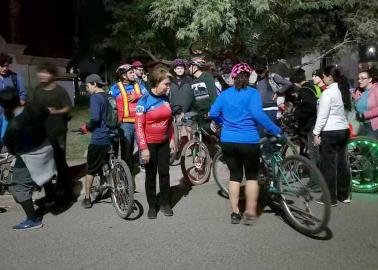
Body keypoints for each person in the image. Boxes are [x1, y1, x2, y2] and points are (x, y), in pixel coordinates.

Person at [209, 63, 281, 225]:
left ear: (233, 77)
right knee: (251, 177)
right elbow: (258, 115)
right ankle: (250, 210)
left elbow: (213, 112)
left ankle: (235, 213)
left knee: (235, 176)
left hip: (228, 140)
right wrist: (275, 129)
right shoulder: (252, 93)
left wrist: (223, 122)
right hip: (248, 140)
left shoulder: (225, 94)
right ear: (249, 77)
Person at [0, 87, 56, 230]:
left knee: (17, 186)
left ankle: (33, 220)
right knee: (43, 175)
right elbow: (47, 113)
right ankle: (50, 197)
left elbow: (11, 147)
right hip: (48, 148)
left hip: (31, 157)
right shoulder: (33, 107)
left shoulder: (13, 125)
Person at [135, 67, 175, 219]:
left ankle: (165, 203)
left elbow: (169, 122)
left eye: (169, 84)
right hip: (149, 144)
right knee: (151, 175)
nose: (168, 87)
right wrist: (144, 148)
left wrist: (172, 139)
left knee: (164, 173)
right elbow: (138, 127)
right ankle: (152, 205)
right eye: (166, 84)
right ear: (157, 83)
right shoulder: (143, 100)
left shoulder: (166, 98)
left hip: (164, 142)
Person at [31, 62, 72, 203]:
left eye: (46, 72)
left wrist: (55, 111)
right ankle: (50, 195)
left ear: (52, 75)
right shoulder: (37, 89)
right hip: (42, 132)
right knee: (45, 163)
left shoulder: (59, 90)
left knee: (60, 162)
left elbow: (67, 108)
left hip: (58, 131)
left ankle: (68, 193)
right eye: (40, 72)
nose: (42, 75)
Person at [313, 65, 351, 206]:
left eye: (323, 76)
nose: (323, 78)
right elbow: (347, 111)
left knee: (328, 165)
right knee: (342, 163)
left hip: (330, 131)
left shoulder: (328, 93)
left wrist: (316, 133)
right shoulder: (344, 91)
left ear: (329, 76)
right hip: (343, 129)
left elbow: (322, 116)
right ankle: (344, 195)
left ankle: (330, 198)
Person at [80, 74, 111, 208]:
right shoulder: (111, 96)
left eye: (87, 86)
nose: (87, 89)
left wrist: (86, 127)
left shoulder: (95, 98)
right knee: (108, 162)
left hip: (100, 138)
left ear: (93, 84)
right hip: (113, 136)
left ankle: (87, 198)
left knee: (90, 168)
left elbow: (95, 118)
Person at [110, 64, 147, 173]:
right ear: (123, 75)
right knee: (127, 147)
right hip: (125, 124)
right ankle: (127, 169)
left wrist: (137, 95)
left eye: (133, 72)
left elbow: (148, 95)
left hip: (139, 120)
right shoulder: (115, 88)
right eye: (131, 73)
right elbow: (109, 102)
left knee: (142, 144)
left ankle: (143, 164)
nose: (134, 74)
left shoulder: (139, 85)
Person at [290, 69, 319, 165]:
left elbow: (309, 106)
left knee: (313, 151)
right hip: (317, 121)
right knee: (315, 149)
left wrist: (298, 115)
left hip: (310, 123)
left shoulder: (303, 90)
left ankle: (315, 176)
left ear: (296, 82)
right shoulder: (313, 87)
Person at [0, 53, 27, 140]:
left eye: (7, 66)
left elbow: (23, 94)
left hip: (9, 116)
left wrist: (16, 109)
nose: (5, 68)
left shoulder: (15, 77)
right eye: (2, 66)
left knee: (6, 138)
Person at [169, 59, 194, 138]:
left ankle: (192, 147)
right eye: (178, 68)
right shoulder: (170, 80)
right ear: (174, 70)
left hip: (188, 110)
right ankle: (178, 149)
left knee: (188, 129)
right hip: (174, 110)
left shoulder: (190, 80)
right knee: (175, 132)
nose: (180, 70)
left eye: (181, 68)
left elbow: (192, 95)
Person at [355, 69, 378, 139]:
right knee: (361, 148)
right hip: (360, 125)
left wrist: (364, 115)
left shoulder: (376, 90)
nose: (359, 81)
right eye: (358, 79)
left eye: (363, 78)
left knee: (372, 148)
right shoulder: (359, 91)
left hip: (373, 126)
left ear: (370, 79)